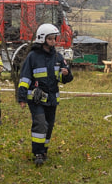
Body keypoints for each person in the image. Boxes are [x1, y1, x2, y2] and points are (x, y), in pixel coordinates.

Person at [16, 23, 73, 166]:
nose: (53, 42)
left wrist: (66, 74)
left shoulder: (58, 57)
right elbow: (25, 78)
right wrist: (22, 97)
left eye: (55, 39)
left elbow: (65, 78)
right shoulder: (32, 57)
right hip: (36, 99)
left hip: (52, 99)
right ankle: (38, 153)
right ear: (42, 39)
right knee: (40, 124)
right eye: (51, 39)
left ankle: (44, 150)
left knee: (49, 126)